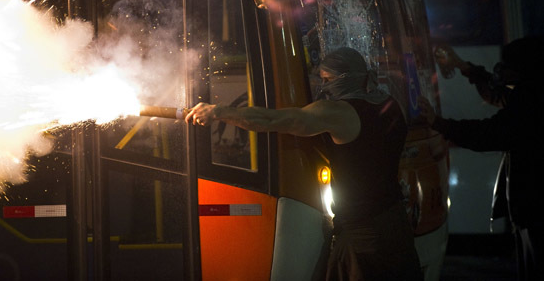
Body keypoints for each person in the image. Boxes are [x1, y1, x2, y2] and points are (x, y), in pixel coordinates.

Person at [186, 47, 423, 281]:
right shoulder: (392, 105)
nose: (323, 88)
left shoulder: (338, 112)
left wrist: (218, 111)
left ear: (345, 78)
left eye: (327, 79)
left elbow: (271, 120)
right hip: (396, 226)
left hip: (364, 238)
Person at [419, 36, 544, 281]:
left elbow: (487, 134)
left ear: (525, 70)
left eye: (508, 66)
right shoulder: (531, 92)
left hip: (535, 210)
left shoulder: (532, 101)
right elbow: (496, 92)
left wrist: (438, 123)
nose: (501, 71)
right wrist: (461, 65)